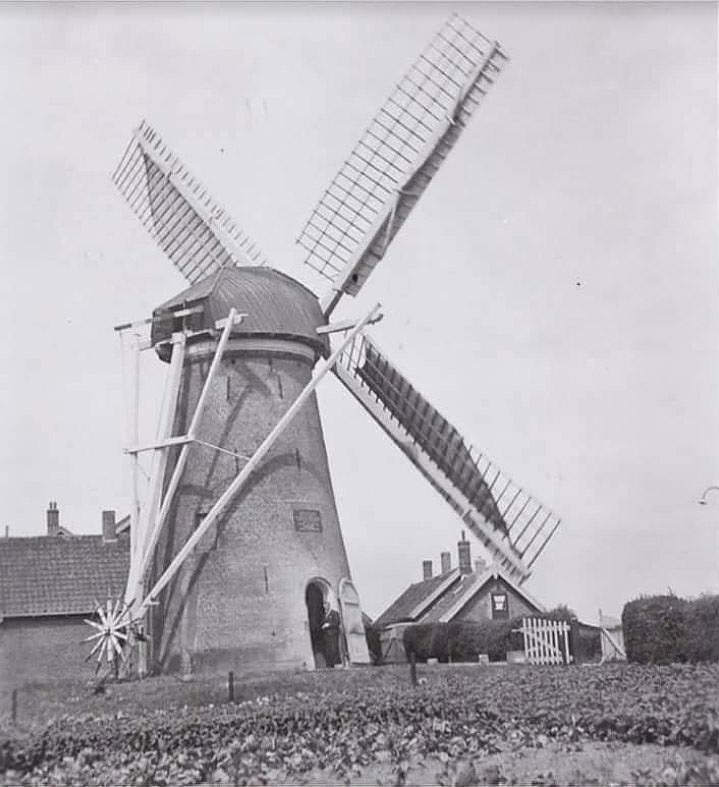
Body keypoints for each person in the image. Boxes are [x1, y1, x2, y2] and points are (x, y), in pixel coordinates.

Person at [321, 601, 341, 667]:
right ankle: (330, 665)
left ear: (328, 606)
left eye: (326, 606)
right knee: (328, 650)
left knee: (334, 649)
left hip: (333, 634)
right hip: (326, 635)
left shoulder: (334, 613)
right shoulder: (325, 614)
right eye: (324, 606)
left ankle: (336, 664)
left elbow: (337, 622)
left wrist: (328, 625)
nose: (325, 608)